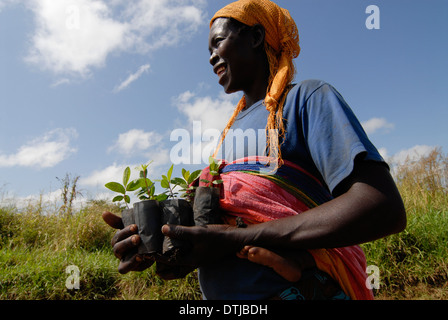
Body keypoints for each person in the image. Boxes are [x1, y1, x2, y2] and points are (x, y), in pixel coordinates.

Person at [102, 0, 406, 300]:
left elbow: (381, 207)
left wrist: (242, 237)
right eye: (208, 50)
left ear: (256, 37)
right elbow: (219, 240)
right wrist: (161, 246)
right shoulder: (226, 137)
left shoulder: (306, 99)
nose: (211, 58)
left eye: (218, 43)